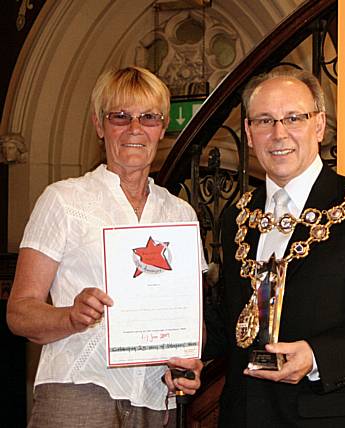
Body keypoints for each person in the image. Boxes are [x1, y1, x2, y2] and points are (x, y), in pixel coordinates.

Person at [203, 67, 345, 427]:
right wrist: (182, 346)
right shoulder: (237, 216)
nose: (279, 134)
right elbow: (234, 316)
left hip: (330, 418)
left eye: (294, 118)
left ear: (319, 125)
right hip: (243, 416)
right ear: (248, 132)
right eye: (264, 120)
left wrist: (315, 356)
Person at [7, 66, 204, 427]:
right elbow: (19, 313)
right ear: (99, 126)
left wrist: (187, 359)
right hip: (78, 390)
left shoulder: (180, 213)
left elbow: (193, 323)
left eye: (148, 117)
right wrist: (70, 316)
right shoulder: (63, 200)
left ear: (162, 128)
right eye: (120, 117)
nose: (134, 129)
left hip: (155, 399)